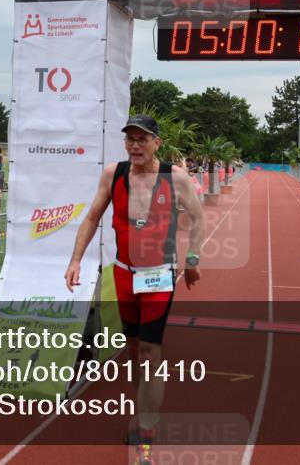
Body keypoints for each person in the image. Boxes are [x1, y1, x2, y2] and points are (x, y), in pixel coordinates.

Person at [64, 114, 204, 463]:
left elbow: (198, 216)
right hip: (125, 275)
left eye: (142, 139)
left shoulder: (176, 177)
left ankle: (146, 430)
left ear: (157, 142)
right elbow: (92, 217)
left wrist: (192, 259)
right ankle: (143, 409)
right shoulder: (114, 175)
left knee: (150, 353)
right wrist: (75, 260)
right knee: (133, 350)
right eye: (130, 139)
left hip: (159, 276)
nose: (135, 146)